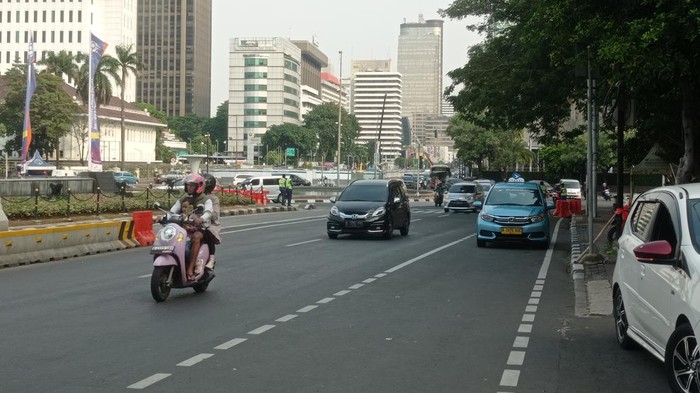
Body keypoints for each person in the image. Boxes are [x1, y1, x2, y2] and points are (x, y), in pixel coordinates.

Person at [169, 173, 213, 281]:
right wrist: (162, 217)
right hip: (184, 228)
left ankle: (190, 267)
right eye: (188, 185)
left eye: (192, 185)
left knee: (196, 237)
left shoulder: (205, 199)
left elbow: (208, 212)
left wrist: (201, 218)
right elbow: (172, 210)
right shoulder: (184, 198)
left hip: (199, 229)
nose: (190, 187)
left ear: (199, 186)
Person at [202, 173, 221, 274]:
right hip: (193, 223)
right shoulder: (194, 196)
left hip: (210, 223)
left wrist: (204, 216)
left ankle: (211, 258)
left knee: (208, 232)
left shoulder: (213, 198)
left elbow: (215, 214)